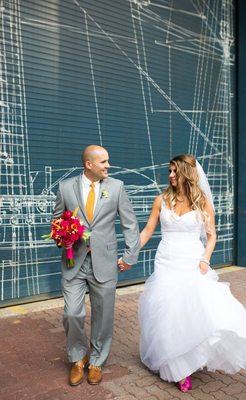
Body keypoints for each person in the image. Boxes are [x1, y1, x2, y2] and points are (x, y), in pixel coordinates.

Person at [139, 154, 246, 392]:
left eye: (175, 171)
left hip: (193, 261)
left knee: (194, 308)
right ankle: (177, 367)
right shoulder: (161, 200)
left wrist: (205, 260)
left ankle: (189, 355)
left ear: (188, 173)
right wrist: (131, 251)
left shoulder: (202, 201)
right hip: (166, 260)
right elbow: (147, 230)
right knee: (167, 310)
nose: (171, 175)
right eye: (170, 171)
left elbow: (211, 235)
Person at [53, 145, 140, 386]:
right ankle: (77, 358)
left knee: (103, 316)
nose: (108, 166)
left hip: (105, 261)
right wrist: (63, 235)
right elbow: (57, 220)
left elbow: (130, 224)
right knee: (72, 313)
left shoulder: (116, 187)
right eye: (103, 162)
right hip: (74, 262)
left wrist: (130, 256)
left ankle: (96, 362)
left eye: (108, 161)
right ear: (88, 164)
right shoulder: (65, 187)